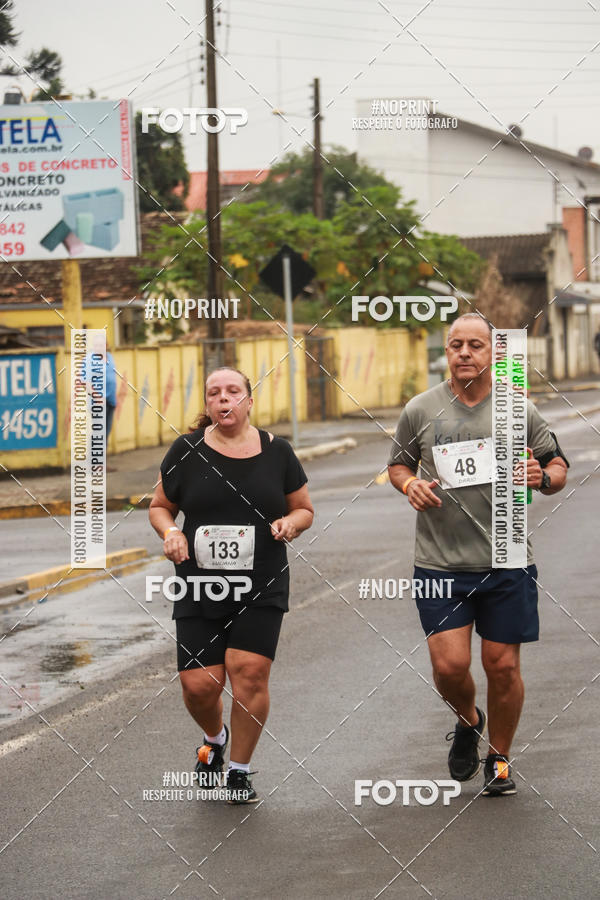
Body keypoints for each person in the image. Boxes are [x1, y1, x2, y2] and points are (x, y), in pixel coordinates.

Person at [388, 314, 569, 796]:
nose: (464, 353)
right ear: (445, 353)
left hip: (507, 558)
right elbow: (398, 465)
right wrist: (410, 485)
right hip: (440, 563)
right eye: (455, 345)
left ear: (493, 353)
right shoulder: (420, 409)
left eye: (475, 345)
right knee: (448, 667)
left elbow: (556, 465)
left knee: (502, 666)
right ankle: (469, 720)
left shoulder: (517, 409)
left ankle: (500, 757)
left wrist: (543, 478)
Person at [149, 367, 314, 803]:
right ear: (207, 405)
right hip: (200, 584)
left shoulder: (278, 452)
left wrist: (290, 524)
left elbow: (304, 509)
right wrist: (171, 533)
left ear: (249, 400)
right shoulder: (185, 451)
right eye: (215, 393)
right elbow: (160, 507)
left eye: (233, 392)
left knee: (249, 675)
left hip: (262, 582)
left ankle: (239, 770)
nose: (225, 400)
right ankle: (215, 737)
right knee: (199, 685)